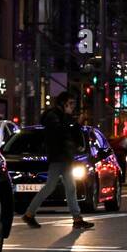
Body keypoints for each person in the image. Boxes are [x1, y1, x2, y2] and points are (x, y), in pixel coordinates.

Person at [22, 92, 93, 230]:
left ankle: (77, 218)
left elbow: (70, 133)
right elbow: (59, 133)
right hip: (58, 157)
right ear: (63, 103)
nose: (73, 107)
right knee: (51, 187)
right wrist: (74, 123)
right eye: (70, 103)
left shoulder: (62, 116)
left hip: (64, 157)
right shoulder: (53, 116)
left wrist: (76, 132)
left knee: (70, 187)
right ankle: (29, 214)